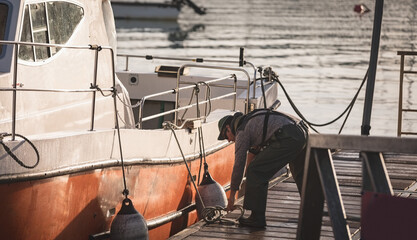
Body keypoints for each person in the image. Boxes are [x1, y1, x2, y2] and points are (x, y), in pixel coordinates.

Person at [217, 109, 309, 228]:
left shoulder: (241, 131)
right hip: (302, 131)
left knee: (256, 171)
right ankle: (311, 209)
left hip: (288, 135)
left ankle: (257, 218)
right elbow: (254, 155)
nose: (229, 140)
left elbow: (239, 164)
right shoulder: (250, 120)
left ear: (229, 128)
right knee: (299, 172)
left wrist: (232, 196)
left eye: (226, 136)